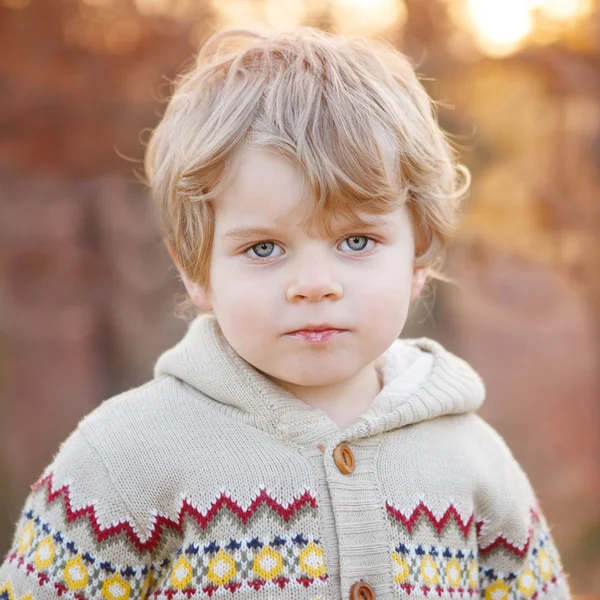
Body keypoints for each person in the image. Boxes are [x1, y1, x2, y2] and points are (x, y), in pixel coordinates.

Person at [0, 27, 571, 600]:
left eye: (356, 242)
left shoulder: (474, 460)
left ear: (419, 254)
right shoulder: (124, 458)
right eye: (264, 249)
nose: (314, 285)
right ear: (197, 271)